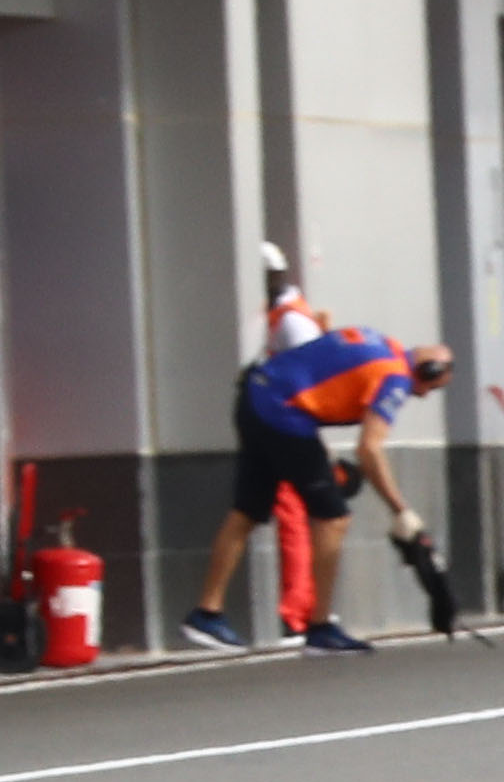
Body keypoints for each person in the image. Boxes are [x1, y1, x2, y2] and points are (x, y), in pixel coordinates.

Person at [180, 327, 453, 654]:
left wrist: (322, 453)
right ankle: (320, 626)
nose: (421, 395)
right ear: (429, 370)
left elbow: (317, 376)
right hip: (284, 415)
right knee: (333, 517)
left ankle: (206, 613)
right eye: (430, 388)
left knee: (248, 510)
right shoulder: (395, 379)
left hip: (256, 394)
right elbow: (369, 449)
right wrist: (401, 510)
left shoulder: (379, 342)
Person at [259, 244, 327, 639]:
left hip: (289, 427)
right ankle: (300, 607)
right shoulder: (286, 316)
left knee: (293, 519)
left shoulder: (291, 322)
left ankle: (296, 609)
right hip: (285, 426)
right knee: (295, 518)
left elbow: (311, 376)